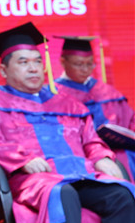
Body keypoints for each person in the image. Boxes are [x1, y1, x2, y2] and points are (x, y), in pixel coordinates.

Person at [0, 22, 135, 223]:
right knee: (62, 193)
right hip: (34, 180)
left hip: (80, 173)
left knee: (121, 195)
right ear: (3, 70)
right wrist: (22, 160)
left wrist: (101, 157)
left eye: (37, 61)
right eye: (23, 62)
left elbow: (90, 140)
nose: (33, 68)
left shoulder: (67, 103)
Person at [54, 35, 135, 180]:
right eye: (78, 64)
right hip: (80, 153)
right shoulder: (54, 95)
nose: (85, 69)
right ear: (63, 62)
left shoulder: (107, 92)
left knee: (126, 154)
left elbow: (131, 122)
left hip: (118, 149)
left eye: (90, 64)